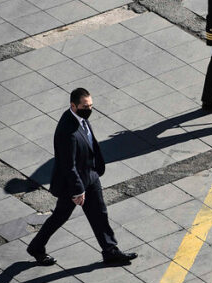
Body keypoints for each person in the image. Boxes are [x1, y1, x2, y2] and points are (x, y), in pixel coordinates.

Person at [26, 88, 137, 266]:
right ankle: (36, 247)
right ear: (73, 105)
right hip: (74, 183)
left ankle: (110, 251)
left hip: (90, 175)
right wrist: (78, 190)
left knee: (99, 214)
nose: (89, 109)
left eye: (91, 105)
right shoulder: (67, 131)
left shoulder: (81, 119)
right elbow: (68, 165)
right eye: (85, 106)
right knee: (60, 217)